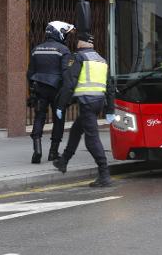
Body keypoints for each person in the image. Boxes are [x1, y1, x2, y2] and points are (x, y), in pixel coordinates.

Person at [53, 32, 116, 187]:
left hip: (87, 102)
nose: (76, 44)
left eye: (78, 41)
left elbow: (69, 83)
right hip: (98, 102)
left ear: (81, 43)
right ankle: (63, 161)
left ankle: (104, 173)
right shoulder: (101, 60)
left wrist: (61, 105)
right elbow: (110, 87)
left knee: (91, 140)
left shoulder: (78, 57)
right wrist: (110, 110)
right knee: (76, 129)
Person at [26, 21, 75, 164]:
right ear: (58, 32)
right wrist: (68, 93)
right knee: (58, 120)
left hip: (39, 88)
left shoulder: (36, 49)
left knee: (39, 117)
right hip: (57, 90)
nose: (65, 36)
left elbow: (30, 73)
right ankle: (53, 153)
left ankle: (37, 150)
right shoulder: (63, 50)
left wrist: (32, 91)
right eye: (64, 33)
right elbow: (67, 74)